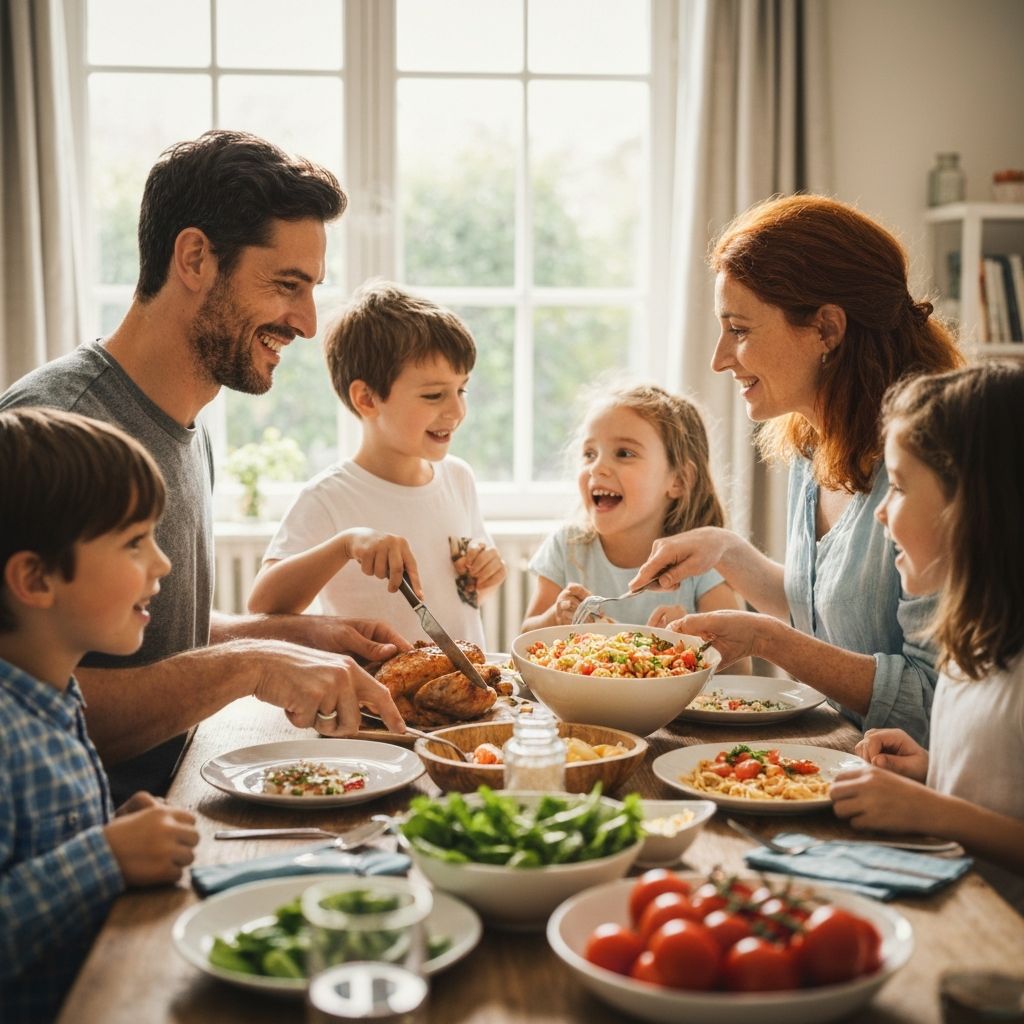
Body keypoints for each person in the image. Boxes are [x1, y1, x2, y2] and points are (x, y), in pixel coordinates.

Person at [0, 130, 405, 804]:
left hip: (174, 807)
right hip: (87, 853)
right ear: (194, 258)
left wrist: (296, 635)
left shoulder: (184, 421)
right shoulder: (61, 428)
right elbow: (17, 702)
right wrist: (244, 667)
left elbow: (142, 636)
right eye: (287, 285)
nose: (307, 323)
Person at [630, 195, 963, 744]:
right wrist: (725, 550)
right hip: (835, 757)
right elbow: (824, 612)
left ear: (827, 329)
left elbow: (933, 704)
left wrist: (767, 640)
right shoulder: (813, 444)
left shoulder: (934, 469)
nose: (719, 358)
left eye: (738, 329)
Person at [0, 408, 200, 1024]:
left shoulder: (52, 696)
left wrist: (109, 830)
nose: (162, 564)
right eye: (134, 542)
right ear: (35, 578)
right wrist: (104, 858)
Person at [830, 363, 1024, 911]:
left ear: (970, 503)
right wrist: (933, 773)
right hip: (959, 915)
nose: (881, 515)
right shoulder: (972, 645)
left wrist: (933, 810)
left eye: (896, 487)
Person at [248, 281, 506, 649]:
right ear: (367, 399)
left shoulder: (459, 479)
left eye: (461, 389)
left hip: (463, 695)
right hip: (372, 699)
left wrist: (488, 574)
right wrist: (345, 546)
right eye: (434, 395)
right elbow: (262, 605)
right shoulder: (329, 496)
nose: (457, 410)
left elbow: (468, 597)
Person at [521, 383, 749, 670]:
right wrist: (555, 617)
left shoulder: (702, 563)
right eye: (590, 454)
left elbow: (742, 669)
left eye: (624, 453)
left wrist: (696, 642)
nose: (597, 468)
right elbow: (525, 642)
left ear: (677, 480)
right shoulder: (567, 547)